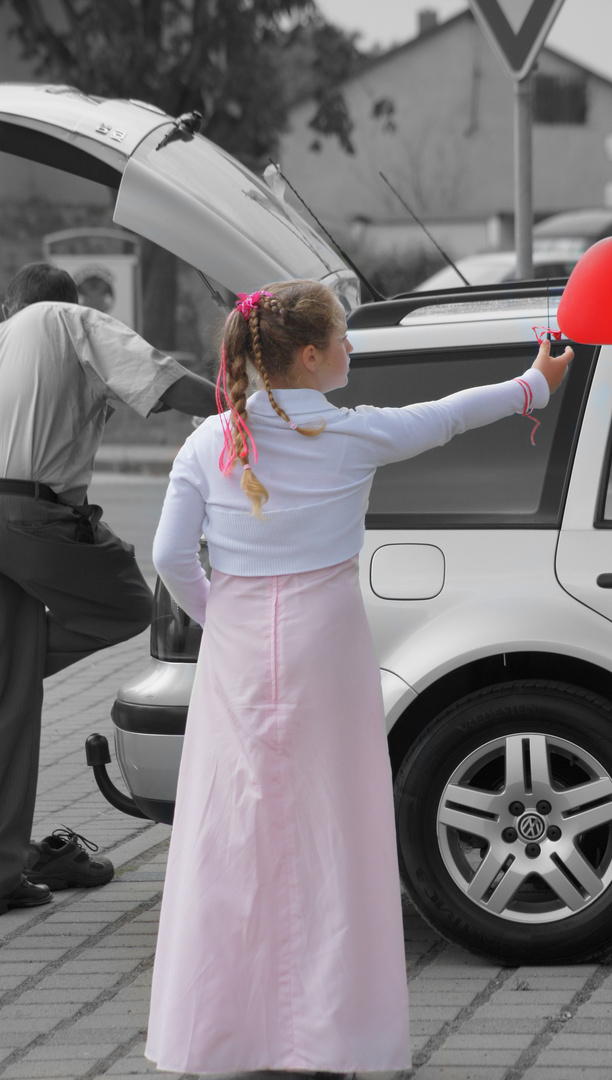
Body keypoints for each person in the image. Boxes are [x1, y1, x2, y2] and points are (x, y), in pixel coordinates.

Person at [146, 279, 573, 1077]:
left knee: (230, 836)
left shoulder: (208, 442)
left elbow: (171, 558)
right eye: (342, 338)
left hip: (239, 654)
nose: (352, 347)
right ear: (308, 358)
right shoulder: (351, 436)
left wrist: (224, 617)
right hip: (326, 646)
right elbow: (445, 416)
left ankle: (222, 1036)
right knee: (333, 836)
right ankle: (329, 1037)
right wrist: (534, 384)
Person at [0, 261, 217, 916]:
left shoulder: (8, 340)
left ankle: (7, 869)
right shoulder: (66, 319)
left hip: (13, 524)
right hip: (27, 516)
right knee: (128, 600)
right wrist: (248, 407)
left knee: (14, 703)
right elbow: (165, 380)